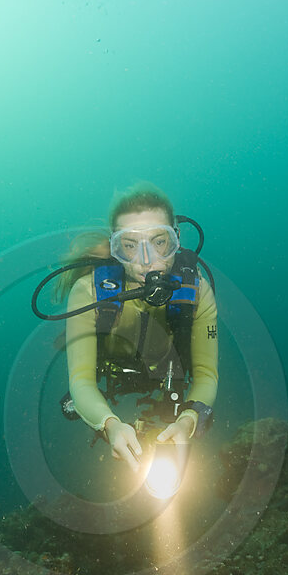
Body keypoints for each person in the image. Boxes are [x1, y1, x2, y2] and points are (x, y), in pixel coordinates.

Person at [63, 184, 218, 473]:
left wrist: (187, 421)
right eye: (130, 245)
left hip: (168, 373)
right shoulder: (89, 291)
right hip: (113, 369)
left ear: (177, 239)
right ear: (115, 247)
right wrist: (110, 425)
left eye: (160, 242)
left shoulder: (198, 291)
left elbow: (207, 375)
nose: (147, 261)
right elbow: (81, 380)